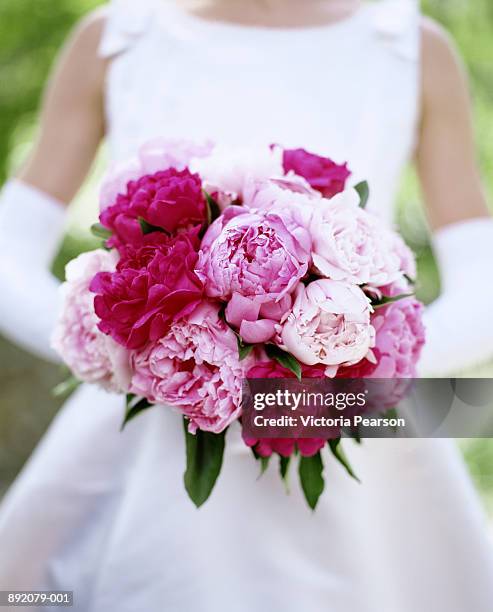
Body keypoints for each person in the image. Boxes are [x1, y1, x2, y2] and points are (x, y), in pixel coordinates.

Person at [0, 0, 493, 610]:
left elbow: (484, 273)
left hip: (346, 417)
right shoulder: (116, 38)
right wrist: (116, 343)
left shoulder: (410, 46)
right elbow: (7, 250)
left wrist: (355, 372)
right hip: (159, 407)